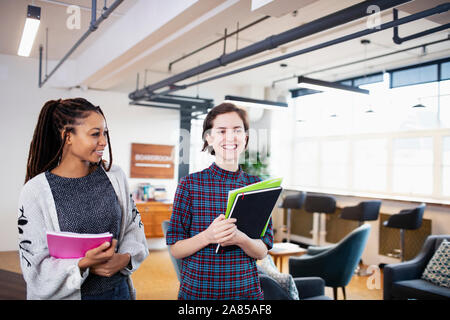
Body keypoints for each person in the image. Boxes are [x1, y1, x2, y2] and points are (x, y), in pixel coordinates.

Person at [18, 98, 149, 300]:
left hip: (119, 292)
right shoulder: (35, 191)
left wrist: (125, 258)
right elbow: (34, 266)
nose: (104, 141)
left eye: (105, 133)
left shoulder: (114, 176)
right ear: (67, 136)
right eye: (95, 134)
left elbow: (133, 226)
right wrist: (82, 264)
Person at [166, 103, 273, 300]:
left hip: (246, 294)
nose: (230, 137)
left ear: (245, 137)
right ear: (209, 137)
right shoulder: (190, 184)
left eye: (237, 130)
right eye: (221, 131)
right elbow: (176, 248)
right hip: (199, 294)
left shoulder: (258, 186)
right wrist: (208, 236)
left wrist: (241, 238)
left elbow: (262, 251)